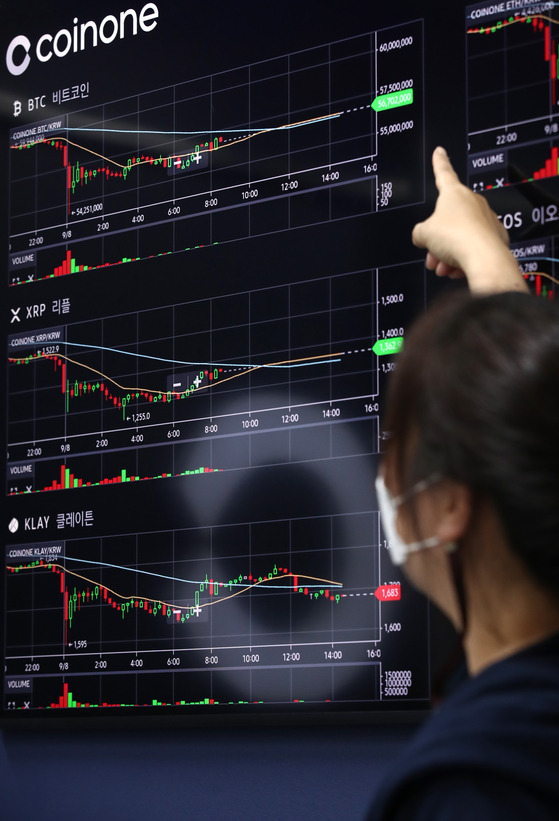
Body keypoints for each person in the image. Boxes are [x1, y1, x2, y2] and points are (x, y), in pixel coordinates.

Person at [365, 148, 559, 820]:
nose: (384, 475)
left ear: (450, 502)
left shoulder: (475, 784)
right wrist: (487, 258)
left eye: (398, 445)